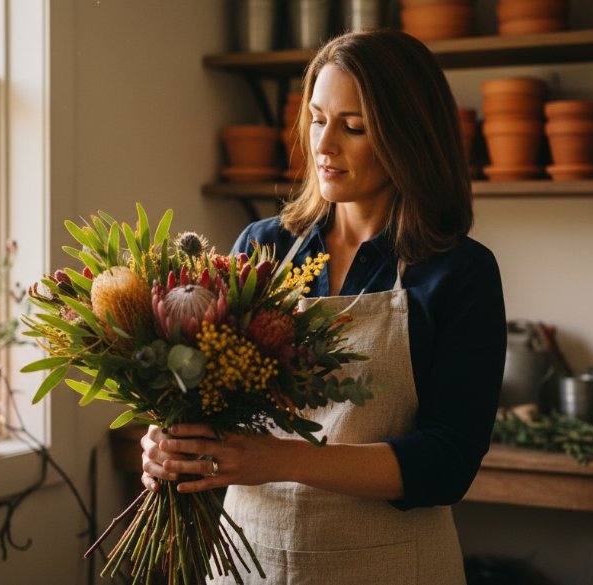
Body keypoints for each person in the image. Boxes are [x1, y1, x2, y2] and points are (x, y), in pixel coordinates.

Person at [141, 29, 506, 585]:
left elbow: (446, 463)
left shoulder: (459, 273)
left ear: (408, 139)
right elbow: (206, 403)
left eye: (353, 126)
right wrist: (169, 443)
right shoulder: (261, 249)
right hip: (248, 562)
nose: (323, 144)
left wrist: (281, 460)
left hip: (388, 565)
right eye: (316, 118)